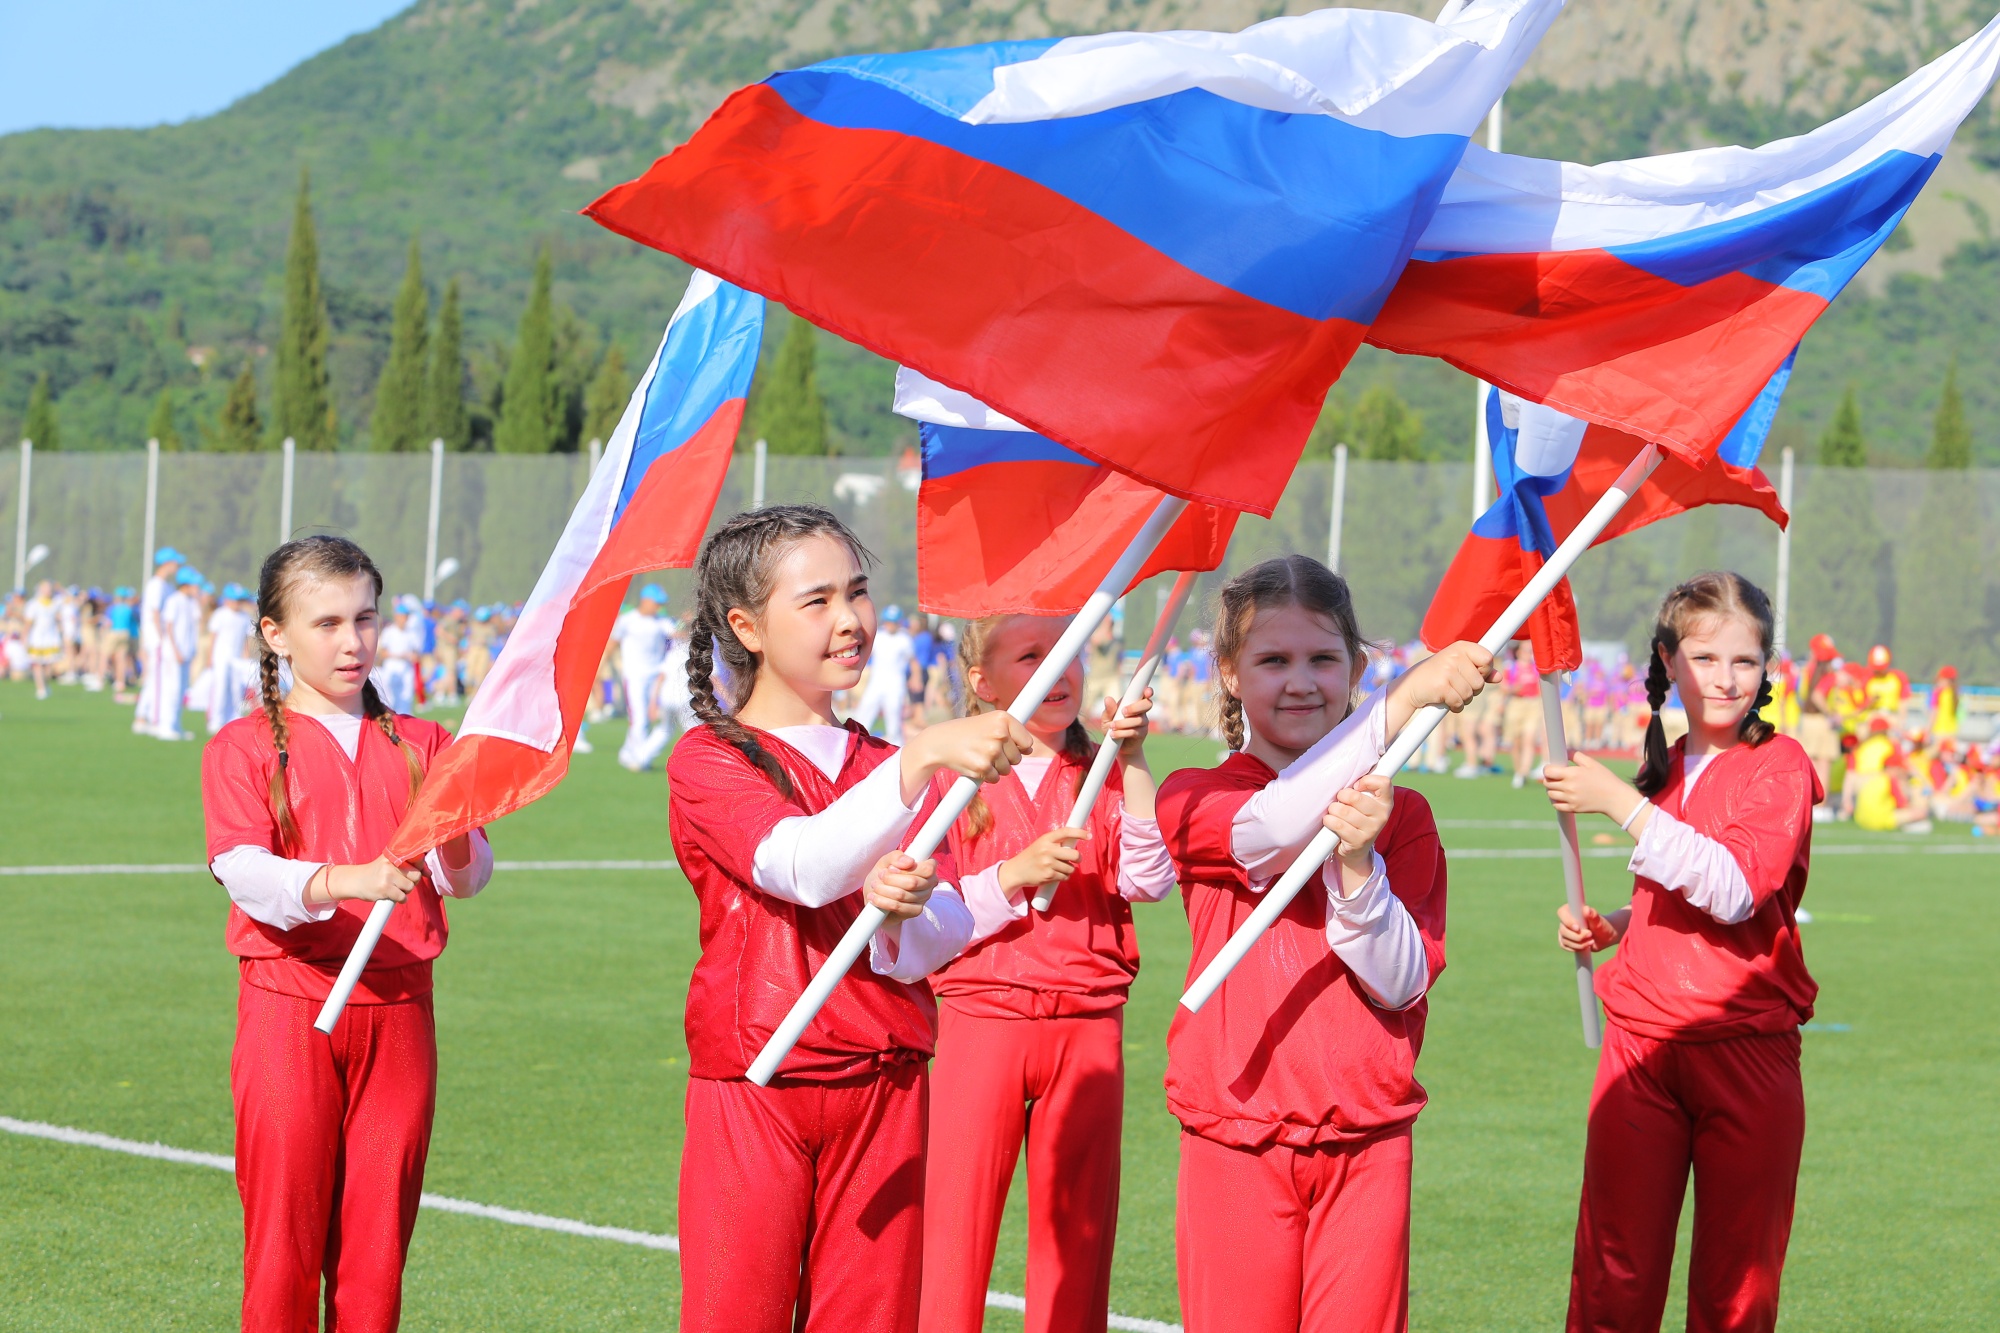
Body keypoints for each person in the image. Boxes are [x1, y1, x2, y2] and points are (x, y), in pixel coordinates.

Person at [665, 505, 1035, 1333]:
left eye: (859, 593)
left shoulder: (883, 763)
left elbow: (934, 935)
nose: (849, 620)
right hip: (759, 1080)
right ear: (745, 626)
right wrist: (921, 756)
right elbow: (798, 865)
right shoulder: (709, 759)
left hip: (885, 1081)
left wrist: (905, 913)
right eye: (818, 599)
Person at [1153, 555, 1491, 1333]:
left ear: (1355, 667)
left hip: (1367, 1138)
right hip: (1237, 1132)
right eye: (1273, 661)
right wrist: (1397, 707)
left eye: (1322, 659)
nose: (1300, 681)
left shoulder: (1404, 817)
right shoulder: (1194, 793)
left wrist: (1356, 865)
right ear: (1231, 675)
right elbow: (1269, 829)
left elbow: (1402, 981)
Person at [202, 535, 492, 1332]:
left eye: (365, 617)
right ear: (276, 634)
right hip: (289, 1009)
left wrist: (461, 822)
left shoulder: (428, 744)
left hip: (400, 1013)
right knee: (282, 1246)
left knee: (376, 1253)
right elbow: (242, 870)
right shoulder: (244, 746)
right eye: (326, 622)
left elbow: (466, 878)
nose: (351, 640)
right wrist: (347, 881)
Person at [1545, 571, 1820, 1333]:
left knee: (1736, 1287)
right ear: (1669, 661)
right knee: (1611, 1275)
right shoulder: (1663, 765)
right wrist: (1620, 919)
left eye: (1745, 660)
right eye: (1705, 658)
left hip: (1744, 1050)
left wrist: (1619, 804)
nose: (1727, 678)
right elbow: (1677, 888)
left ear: (1767, 667)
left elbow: (1734, 890)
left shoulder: (1782, 764)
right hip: (1639, 1045)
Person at [920, 614, 1175, 1333]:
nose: (1059, 670)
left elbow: (1150, 879)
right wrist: (1011, 876)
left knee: (1076, 1243)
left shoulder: (1100, 772)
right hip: (980, 1019)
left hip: (1088, 1027)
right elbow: (927, 917)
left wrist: (1133, 762)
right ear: (982, 681)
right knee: (952, 1235)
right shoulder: (953, 776)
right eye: (1032, 655)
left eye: (1070, 652)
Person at [612, 584, 673, 771]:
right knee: (639, 718)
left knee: (656, 717)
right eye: (656, 603)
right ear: (645, 601)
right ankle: (639, 758)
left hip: (657, 676)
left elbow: (677, 632)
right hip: (635, 675)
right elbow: (612, 643)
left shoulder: (662, 622)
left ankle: (628, 752)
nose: (659, 607)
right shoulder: (628, 620)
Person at [850, 603, 916, 744]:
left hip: (895, 683)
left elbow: (913, 661)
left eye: (893, 622)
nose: (890, 625)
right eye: (888, 622)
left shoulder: (904, 639)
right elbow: (865, 656)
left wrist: (915, 679)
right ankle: (856, 742)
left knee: (894, 716)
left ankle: (897, 747)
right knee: (865, 711)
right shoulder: (878, 637)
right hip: (877, 681)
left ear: (899, 623)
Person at [134, 548, 183, 734]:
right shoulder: (156, 584)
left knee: (155, 679)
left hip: (158, 638)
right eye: (175, 562)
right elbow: (155, 612)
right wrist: (162, 638)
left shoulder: (164, 585)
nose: (177, 566)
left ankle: (141, 717)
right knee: (158, 681)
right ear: (167, 563)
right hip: (157, 639)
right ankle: (155, 721)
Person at [154, 568, 205, 740]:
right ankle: (165, 726)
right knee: (172, 689)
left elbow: (198, 620)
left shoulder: (191, 602)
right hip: (173, 653)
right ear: (185, 584)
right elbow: (168, 626)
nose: (197, 588)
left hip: (186, 652)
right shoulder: (174, 600)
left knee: (181, 689)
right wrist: (175, 650)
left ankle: (176, 724)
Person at [206, 584, 257, 733]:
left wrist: (245, 654)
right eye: (235, 600)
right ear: (227, 600)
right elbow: (213, 637)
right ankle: (215, 719)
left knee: (236, 689)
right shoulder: (220, 614)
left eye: (240, 600)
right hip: (220, 656)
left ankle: (234, 717)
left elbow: (245, 638)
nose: (237, 604)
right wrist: (210, 656)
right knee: (220, 688)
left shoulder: (244, 617)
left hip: (236, 659)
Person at [24, 579, 62, 700]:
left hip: (50, 638)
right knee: (37, 664)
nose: (48, 591)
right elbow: (28, 623)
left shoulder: (55, 603)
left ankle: (45, 685)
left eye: (49, 588)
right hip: (37, 638)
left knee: (48, 666)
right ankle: (40, 689)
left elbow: (58, 620)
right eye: (45, 588)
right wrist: (24, 637)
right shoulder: (33, 604)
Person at [1931, 664, 1960, 740]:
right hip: (1952, 730)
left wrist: (1928, 730)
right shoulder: (1955, 693)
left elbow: (1934, 713)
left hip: (1939, 730)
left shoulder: (1938, 693)